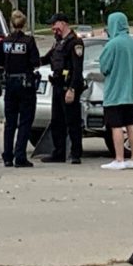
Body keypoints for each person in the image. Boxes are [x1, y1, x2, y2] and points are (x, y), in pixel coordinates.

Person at [40, 12, 85, 164]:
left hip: (69, 87)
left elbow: (77, 70)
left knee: (72, 121)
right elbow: (46, 59)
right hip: (58, 84)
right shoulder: (58, 42)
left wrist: (72, 89)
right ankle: (58, 153)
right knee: (56, 121)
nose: (53, 28)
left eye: (55, 25)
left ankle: (76, 153)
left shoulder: (75, 42)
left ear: (63, 23)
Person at [0, 10, 40, 167]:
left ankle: (7, 155)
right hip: (25, 84)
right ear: (25, 24)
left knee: (10, 122)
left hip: (10, 84)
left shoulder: (4, 42)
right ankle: (20, 155)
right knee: (25, 121)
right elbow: (36, 63)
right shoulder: (28, 41)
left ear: (11, 23)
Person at [99, 12, 133, 170]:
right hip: (130, 92)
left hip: (114, 92)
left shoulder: (112, 44)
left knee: (116, 126)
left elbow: (104, 67)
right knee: (131, 124)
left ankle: (119, 159)